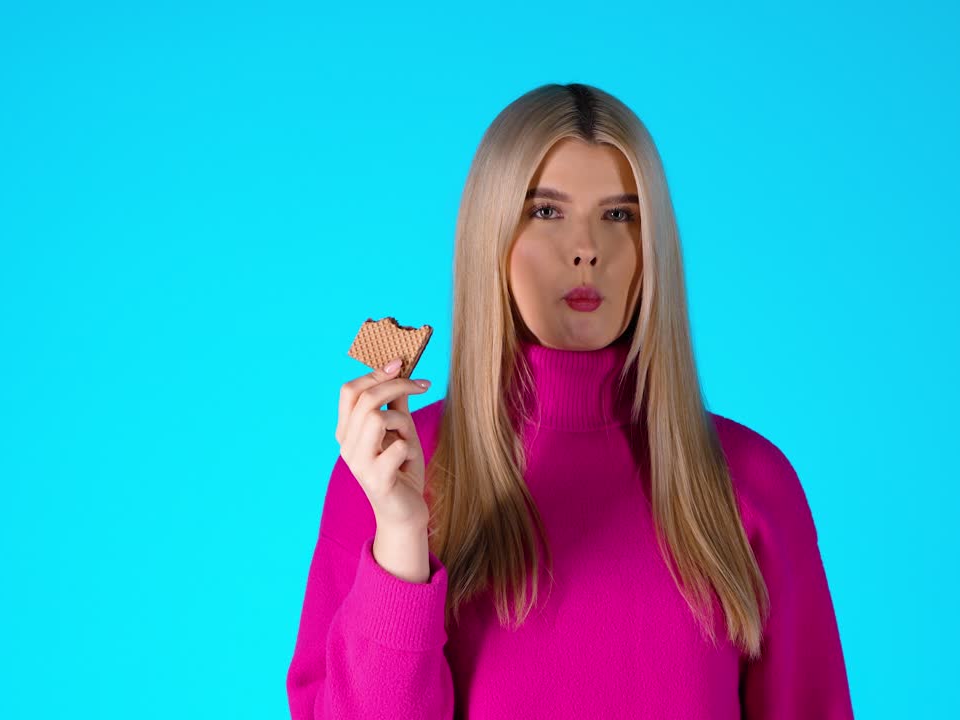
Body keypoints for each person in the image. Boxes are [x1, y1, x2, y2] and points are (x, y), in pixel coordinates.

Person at [286, 82, 854, 719]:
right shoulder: (387, 470)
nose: (587, 247)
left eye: (620, 215)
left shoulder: (752, 481)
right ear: (491, 238)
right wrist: (400, 534)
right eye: (546, 211)